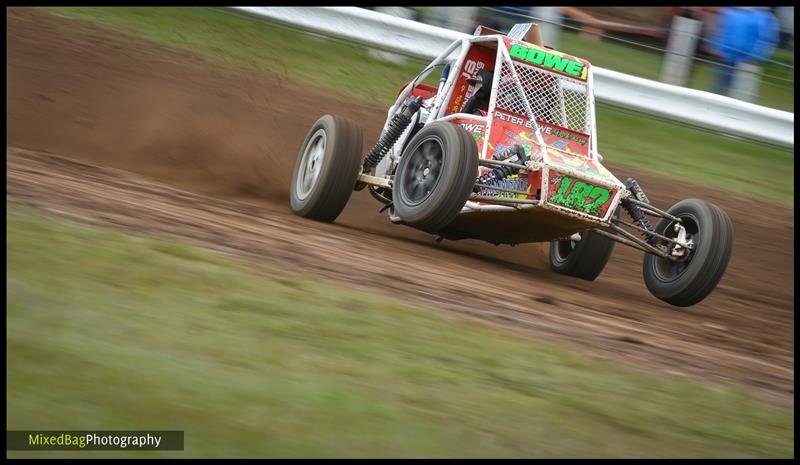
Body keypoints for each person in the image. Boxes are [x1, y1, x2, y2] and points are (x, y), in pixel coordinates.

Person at [708, 7, 779, 97]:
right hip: (724, 59)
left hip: (747, 64)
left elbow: (767, 40)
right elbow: (718, 29)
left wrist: (754, 57)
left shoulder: (765, 18)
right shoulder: (730, 11)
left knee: (741, 96)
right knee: (718, 92)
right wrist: (714, 47)